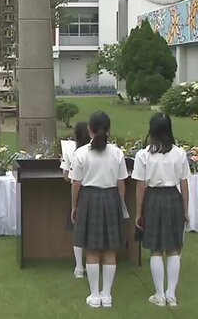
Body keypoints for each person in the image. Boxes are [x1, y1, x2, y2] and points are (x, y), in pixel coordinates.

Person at [70, 111, 128, 309]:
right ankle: (107, 295)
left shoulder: (80, 154)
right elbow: (121, 184)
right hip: (111, 198)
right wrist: (120, 205)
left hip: (89, 198)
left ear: (89, 130)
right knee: (110, 248)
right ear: (109, 130)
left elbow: (76, 184)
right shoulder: (118, 153)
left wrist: (74, 206)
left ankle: (95, 296)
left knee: (93, 248)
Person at [133, 113, 190, 308]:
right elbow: (184, 184)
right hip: (173, 198)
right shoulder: (179, 153)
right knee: (173, 247)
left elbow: (141, 186)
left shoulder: (143, 155)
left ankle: (160, 294)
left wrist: (138, 212)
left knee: (156, 248)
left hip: (153, 199)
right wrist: (185, 210)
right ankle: (171, 294)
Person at [60, 121, 91, 279]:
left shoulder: (71, 151)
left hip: (78, 192)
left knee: (78, 230)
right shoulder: (96, 149)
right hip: (96, 191)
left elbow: (67, 176)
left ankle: (79, 266)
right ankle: (95, 264)